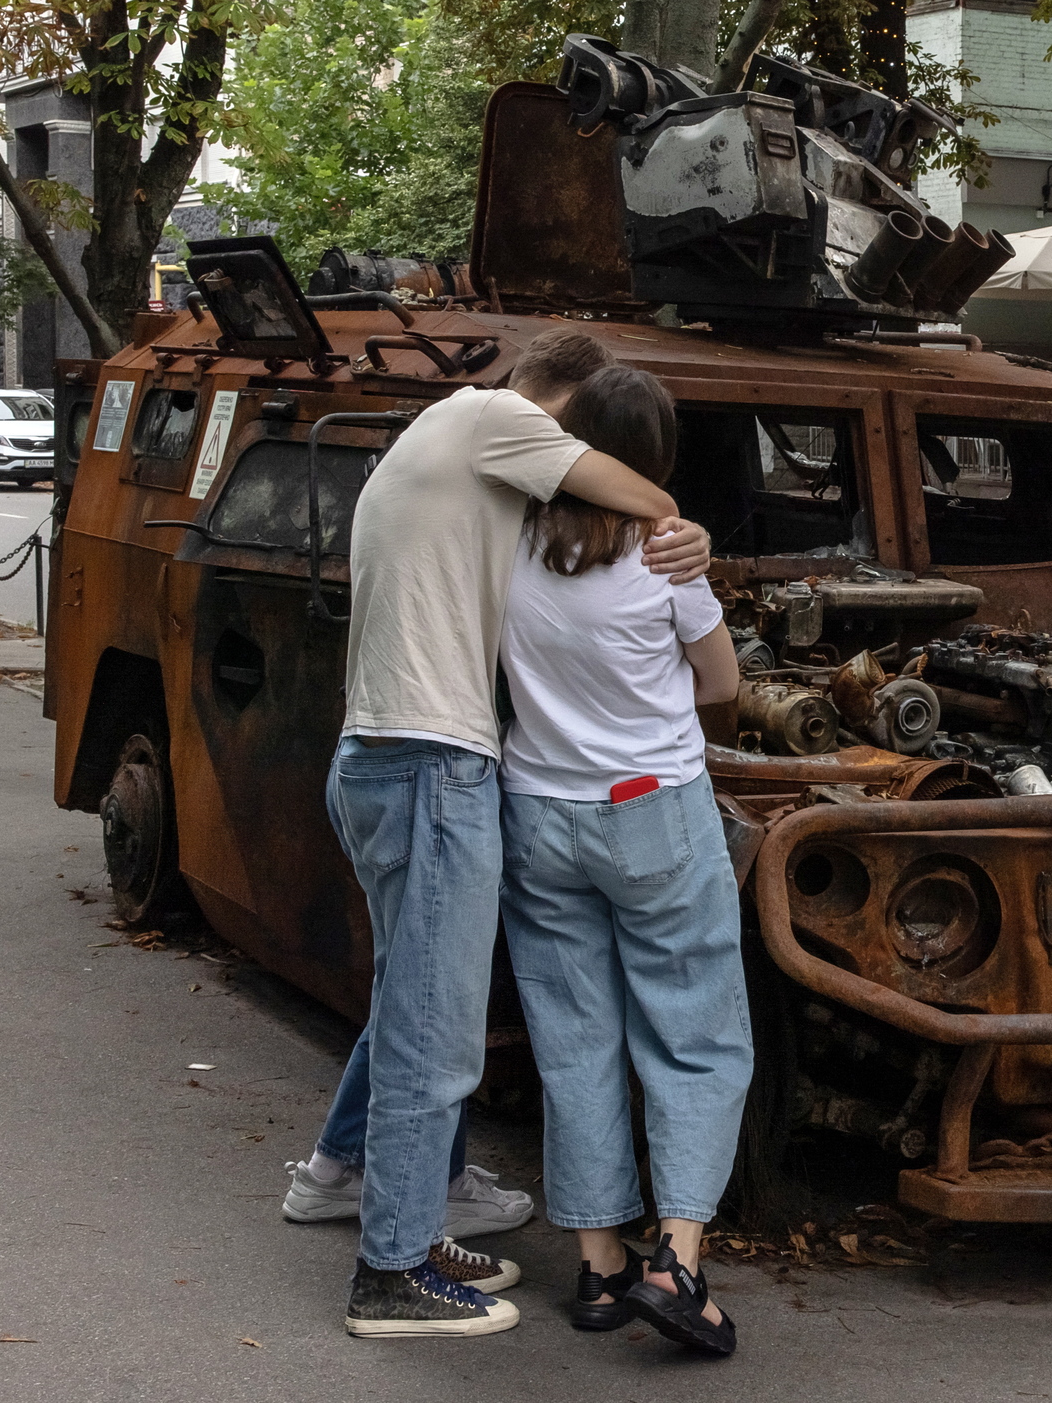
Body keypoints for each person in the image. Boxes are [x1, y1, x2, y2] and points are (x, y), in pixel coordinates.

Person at [295, 329, 713, 1339]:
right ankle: (392, 1272)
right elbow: (637, 490)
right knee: (435, 1035)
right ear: (558, 409)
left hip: (382, 752)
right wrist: (676, 523)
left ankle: (356, 1175)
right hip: (433, 764)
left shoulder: (449, 443)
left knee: (411, 995)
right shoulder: (497, 418)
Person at [495, 364, 751, 1357]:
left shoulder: (511, 541)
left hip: (538, 812)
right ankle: (676, 1264)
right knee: (694, 1032)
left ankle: (600, 1266)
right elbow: (721, 684)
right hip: (651, 810)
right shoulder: (666, 554)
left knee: (574, 1038)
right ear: (657, 459)